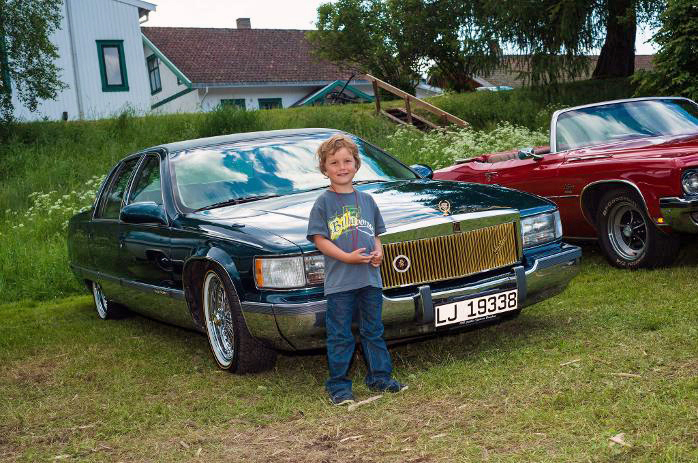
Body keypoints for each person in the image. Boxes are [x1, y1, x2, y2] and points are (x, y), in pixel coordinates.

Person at [306, 134, 407, 406]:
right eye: (334, 162)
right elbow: (319, 240)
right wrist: (346, 258)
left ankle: (380, 378)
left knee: (373, 330)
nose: (342, 167)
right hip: (340, 283)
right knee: (340, 335)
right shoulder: (323, 203)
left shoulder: (367, 201)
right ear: (324, 169)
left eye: (347, 161)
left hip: (369, 280)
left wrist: (378, 253)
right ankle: (339, 386)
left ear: (356, 164)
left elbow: (376, 235)